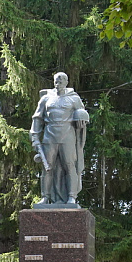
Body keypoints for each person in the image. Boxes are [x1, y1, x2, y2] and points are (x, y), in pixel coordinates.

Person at [30, 71, 89, 206]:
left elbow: (82, 115)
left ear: (67, 82)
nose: (59, 82)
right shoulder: (46, 98)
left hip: (67, 135)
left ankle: (71, 197)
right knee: (47, 168)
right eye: (57, 80)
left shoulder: (74, 98)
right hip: (49, 136)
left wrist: (81, 121)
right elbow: (37, 118)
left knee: (69, 166)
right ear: (54, 82)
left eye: (62, 80)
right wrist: (34, 135)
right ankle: (45, 197)